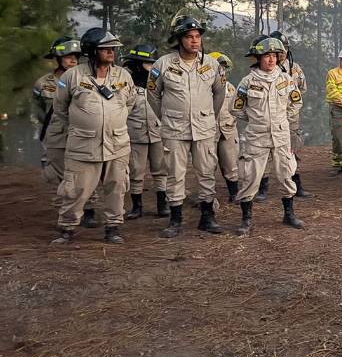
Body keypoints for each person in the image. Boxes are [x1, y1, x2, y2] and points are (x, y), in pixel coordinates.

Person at [52, 28, 135, 244]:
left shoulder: (123, 76)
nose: (111, 52)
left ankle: (113, 228)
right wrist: (82, 127)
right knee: (75, 188)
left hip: (117, 144)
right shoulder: (72, 76)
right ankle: (67, 229)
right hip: (83, 145)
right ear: (91, 51)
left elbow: (130, 103)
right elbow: (60, 108)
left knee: (117, 186)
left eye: (113, 48)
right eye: (105, 48)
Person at [147, 15, 226, 238]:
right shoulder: (163, 64)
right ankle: (175, 219)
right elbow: (153, 94)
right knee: (175, 173)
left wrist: (209, 115)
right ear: (179, 39)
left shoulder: (211, 64)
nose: (195, 41)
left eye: (198, 36)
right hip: (174, 128)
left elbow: (219, 93)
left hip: (203, 127)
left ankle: (207, 217)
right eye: (189, 37)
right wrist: (168, 115)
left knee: (206, 171)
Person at [231, 36, 304, 234]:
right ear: (257, 57)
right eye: (266, 56)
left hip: (281, 136)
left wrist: (281, 118)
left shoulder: (286, 80)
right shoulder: (247, 82)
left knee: (286, 173)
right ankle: (246, 219)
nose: (271, 60)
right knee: (250, 177)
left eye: (274, 56)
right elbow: (236, 108)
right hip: (257, 137)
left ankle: (289, 214)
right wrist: (257, 120)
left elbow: (296, 103)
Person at [33, 37, 98, 225]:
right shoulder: (42, 84)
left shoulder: (87, 80)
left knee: (86, 172)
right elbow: (37, 112)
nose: (73, 60)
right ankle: (67, 213)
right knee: (61, 175)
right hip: (55, 136)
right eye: (68, 56)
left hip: (82, 134)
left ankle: (90, 211)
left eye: (76, 57)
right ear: (57, 58)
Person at [123, 44, 168, 219]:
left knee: (161, 169)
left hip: (157, 133)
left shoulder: (157, 83)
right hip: (135, 134)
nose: (152, 67)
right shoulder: (126, 83)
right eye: (148, 63)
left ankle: (162, 206)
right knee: (136, 171)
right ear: (138, 63)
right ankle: (136, 207)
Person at [270, 30, 311, 198]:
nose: (281, 53)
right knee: (265, 151)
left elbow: (302, 88)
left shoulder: (295, 68)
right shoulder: (266, 68)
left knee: (292, 150)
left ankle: (296, 184)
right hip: (271, 117)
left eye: (284, 49)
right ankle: (263, 187)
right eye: (278, 50)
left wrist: (289, 103)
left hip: (291, 117)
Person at [207, 52, 240, 203]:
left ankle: (234, 193)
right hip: (209, 131)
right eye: (219, 67)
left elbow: (236, 108)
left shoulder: (231, 88)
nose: (222, 71)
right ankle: (207, 197)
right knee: (207, 165)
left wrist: (233, 121)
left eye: (224, 68)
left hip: (228, 129)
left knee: (231, 163)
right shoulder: (203, 88)